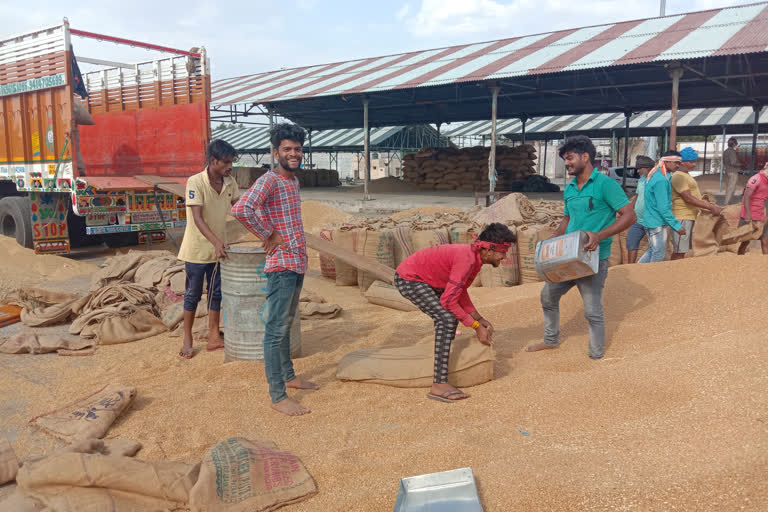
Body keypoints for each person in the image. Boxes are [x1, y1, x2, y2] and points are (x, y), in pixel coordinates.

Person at [231, 123, 318, 417]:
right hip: (281, 265)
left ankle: (289, 377)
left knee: (287, 322)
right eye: (287, 149)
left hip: (297, 262)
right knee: (275, 330)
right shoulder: (269, 180)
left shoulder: (292, 181)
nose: (293, 154)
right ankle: (277, 394)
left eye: (297, 149)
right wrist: (267, 234)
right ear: (274, 152)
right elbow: (241, 209)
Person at [526, 136, 635, 360]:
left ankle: (595, 354)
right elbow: (568, 218)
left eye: (570, 158)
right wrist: (554, 237)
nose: (567, 163)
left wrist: (600, 235)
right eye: (565, 159)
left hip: (593, 258)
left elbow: (629, 215)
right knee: (548, 297)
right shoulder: (570, 188)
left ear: (586, 157)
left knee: (592, 311)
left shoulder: (606, 185)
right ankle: (551, 340)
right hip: (566, 257)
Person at [395, 223, 515, 402]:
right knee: (447, 319)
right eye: (502, 252)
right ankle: (439, 384)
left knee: (449, 318)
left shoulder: (475, 259)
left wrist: (480, 319)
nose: (504, 257)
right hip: (410, 279)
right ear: (488, 250)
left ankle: (443, 363)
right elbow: (449, 300)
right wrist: (475, 326)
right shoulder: (467, 260)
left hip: (430, 281)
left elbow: (460, 293)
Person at [177, 140, 239, 359]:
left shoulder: (230, 183)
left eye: (231, 162)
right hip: (197, 250)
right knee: (193, 294)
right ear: (213, 161)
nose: (230, 166)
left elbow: (239, 208)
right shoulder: (195, 182)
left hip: (218, 251)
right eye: (226, 162)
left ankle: (214, 335)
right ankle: (187, 339)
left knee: (216, 294)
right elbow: (197, 218)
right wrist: (216, 242)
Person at [670, 147, 722, 260]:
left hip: (689, 217)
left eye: (695, 161)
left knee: (683, 250)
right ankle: (672, 272)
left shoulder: (686, 175)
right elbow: (688, 198)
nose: (694, 164)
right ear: (682, 162)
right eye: (691, 162)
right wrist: (709, 207)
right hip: (682, 217)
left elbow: (694, 196)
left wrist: (708, 204)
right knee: (679, 251)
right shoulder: (678, 176)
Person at [638, 150, 684, 263]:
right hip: (656, 222)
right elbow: (663, 208)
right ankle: (650, 277)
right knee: (658, 253)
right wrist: (677, 226)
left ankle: (638, 271)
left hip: (652, 219)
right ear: (666, 162)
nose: (678, 165)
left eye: (679, 163)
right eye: (676, 162)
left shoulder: (657, 175)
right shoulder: (661, 180)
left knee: (653, 250)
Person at [625, 155, 655, 264]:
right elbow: (637, 196)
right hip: (638, 220)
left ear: (647, 168)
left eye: (639, 169)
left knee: (655, 247)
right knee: (631, 241)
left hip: (652, 221)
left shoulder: (657, 180)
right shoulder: (642, 180)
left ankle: (646, 269)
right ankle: (631, 267)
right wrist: (629, 210)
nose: (637, 171)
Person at [737, 161, 768, 255]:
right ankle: (738, 260)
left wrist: (766, 217)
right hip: (749, 215)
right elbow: (746, 196)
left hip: (760, 216)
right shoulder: (756, 179)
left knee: (765, 241)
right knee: (745, 241)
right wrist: (748, 213)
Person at [723, 137, 742, 204]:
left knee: (728, 188)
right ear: (734, 144)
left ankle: (727, 202)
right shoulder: (732, 151)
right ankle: (727, 203)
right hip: (733, 172)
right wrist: (740, 164)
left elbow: (724, 162)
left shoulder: (725, 151)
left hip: (727, 171)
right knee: (732, 188)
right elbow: (733, 162)